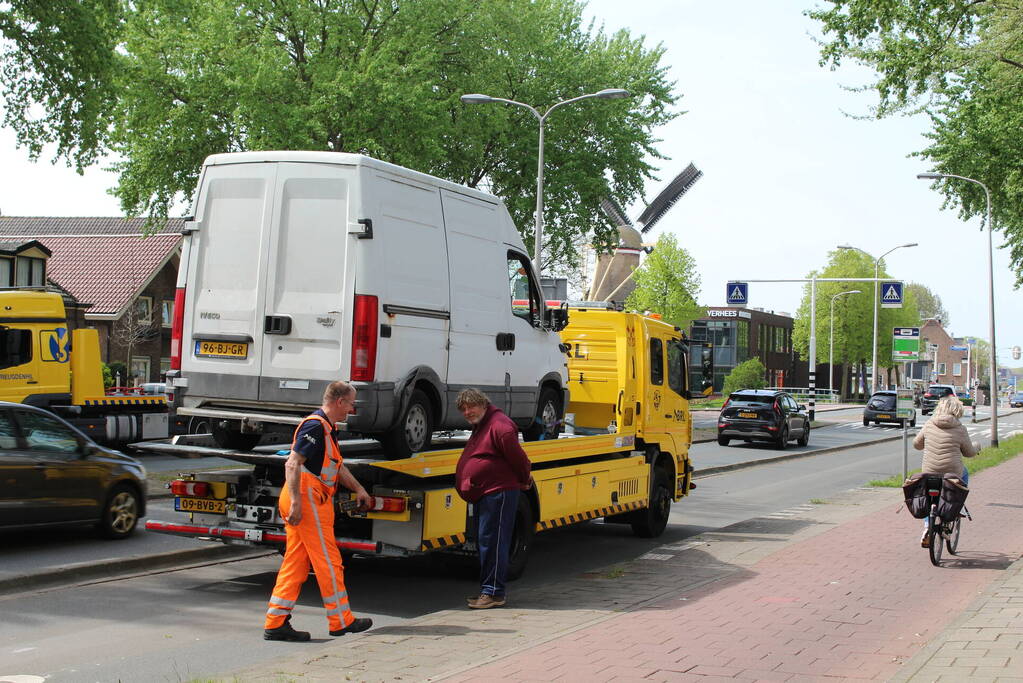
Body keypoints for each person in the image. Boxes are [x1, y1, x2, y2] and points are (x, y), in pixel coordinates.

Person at [263, 381, 374, 642]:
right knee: (329, 561)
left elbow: (336, 466)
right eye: (350, 403)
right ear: (338, 402)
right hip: (306, 498)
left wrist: (359, 488)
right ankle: (341, 621)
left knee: (297, 563)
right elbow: (292, 464)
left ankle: (276, 622)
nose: (352, 409)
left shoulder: (327, 428)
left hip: (307, 497)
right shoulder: (315, 426)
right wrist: (298, 504)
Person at [454, 389, 532, 609]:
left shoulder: (500, 426)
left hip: (498, 493)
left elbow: (519, 459)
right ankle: (488, 590)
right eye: (464, 409)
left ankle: (494, 593)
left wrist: (525, 478)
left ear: (484, 404)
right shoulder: (483, 424)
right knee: (485, 541)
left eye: (471, 407)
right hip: (486, 493)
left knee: (494, 542)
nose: (468, 412)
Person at [912, 395, 977, 548]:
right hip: (952, 473)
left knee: (928, 497)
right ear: (957, 411)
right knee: (964, 473)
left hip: (929, 472)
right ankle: (956, 507)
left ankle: (928, 526)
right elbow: (969, 452)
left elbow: (916, 444)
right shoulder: (960, 429)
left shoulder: (929, 424)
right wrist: (977, 447)